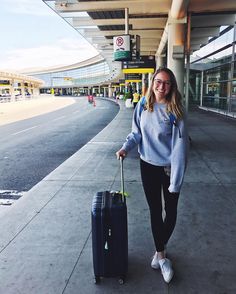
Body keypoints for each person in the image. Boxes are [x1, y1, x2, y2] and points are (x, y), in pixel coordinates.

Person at [116, 67, 189, 283]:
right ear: (153, 82)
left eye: (166, 83)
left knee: (172, 212)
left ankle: (160, 248)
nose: (161, 86)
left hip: (169, 168)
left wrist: (175, 180)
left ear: (172, 85)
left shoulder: (176, 111)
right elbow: (136, 133)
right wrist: (125, 148)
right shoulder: (143, 105)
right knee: (155, 211)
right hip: (148, 165)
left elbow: (180, 148)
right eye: (158, 81)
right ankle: (162, 256)